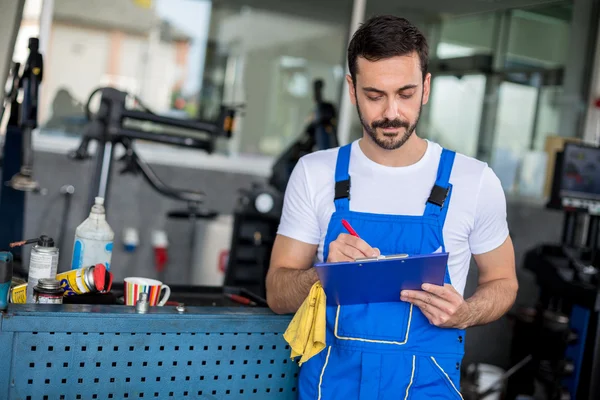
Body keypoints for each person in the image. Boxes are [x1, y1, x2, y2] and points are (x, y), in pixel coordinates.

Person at [266, 14, 518, 399]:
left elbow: (503, 282)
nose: (391, 113)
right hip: (330, 387)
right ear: (352, 89)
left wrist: (466, 313)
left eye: (405, 93)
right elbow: (277, 293)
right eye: (374, 95)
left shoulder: (474, 181)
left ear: (426, 87)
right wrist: (323, 275)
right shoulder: (315, 173)